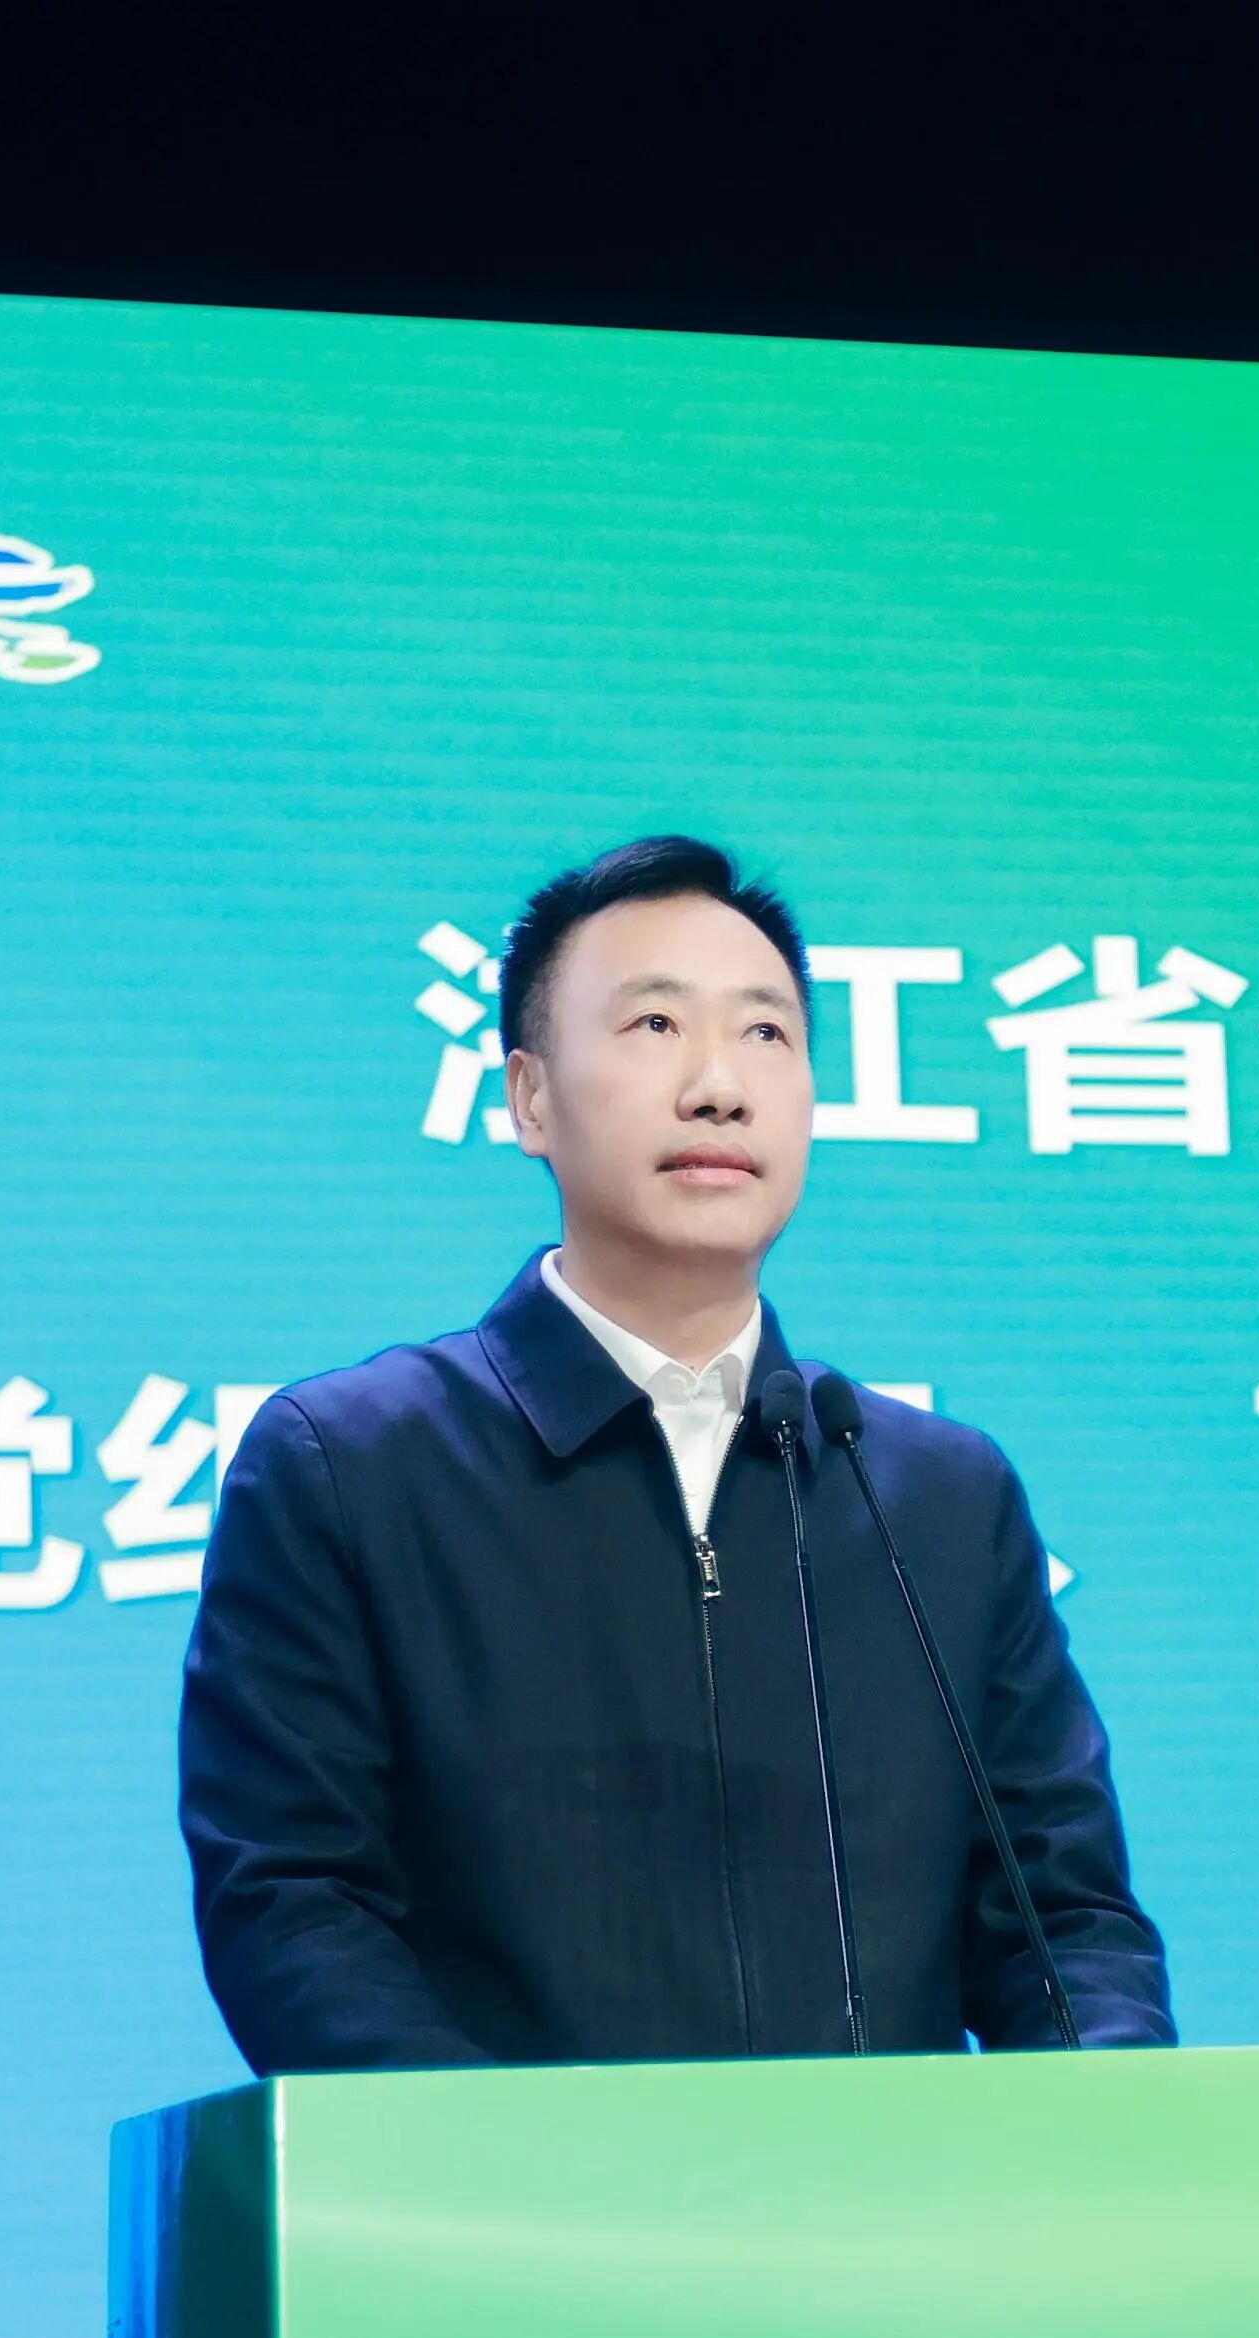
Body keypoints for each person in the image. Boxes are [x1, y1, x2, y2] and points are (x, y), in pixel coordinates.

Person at [178, 835, 1173, 2070]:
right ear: (529, 1097)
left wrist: (1100, 2111)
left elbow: (1064, 1923)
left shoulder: (935, 1498)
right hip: (512, 2194)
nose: (719, 1087)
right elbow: (295, 1907)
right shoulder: (352, 1468)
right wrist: (509, 2169)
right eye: (655, 1025)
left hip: (899, 2195)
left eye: (766, 1034)